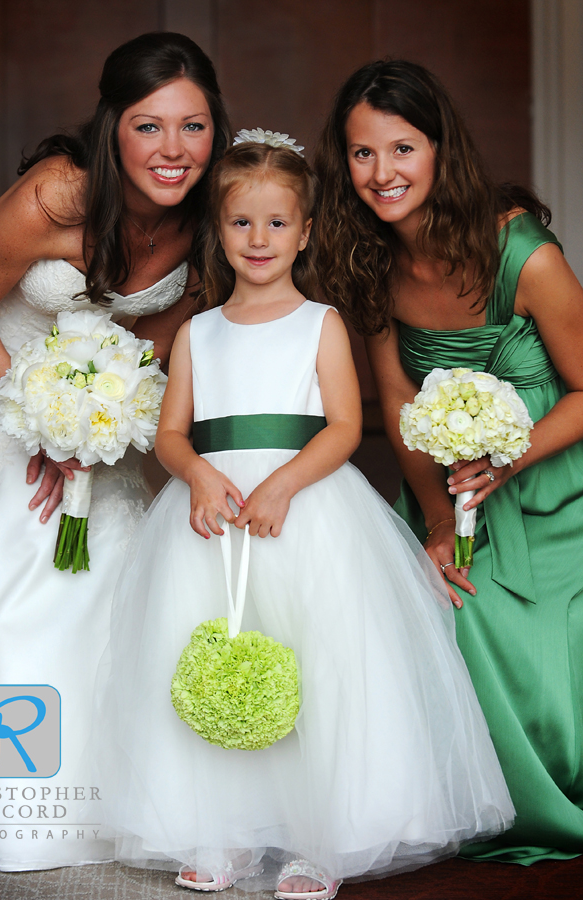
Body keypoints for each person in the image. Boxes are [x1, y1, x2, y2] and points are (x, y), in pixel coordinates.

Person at [97, 135, 514, 899]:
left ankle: (316, 841)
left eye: (277, 224)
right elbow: (169, 432)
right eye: (241, 224)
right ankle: (217, 831)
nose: (259, 241)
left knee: (316, 667)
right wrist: (192, 475)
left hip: (304, 511)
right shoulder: (197, 332)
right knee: (213, 663)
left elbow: (346, 428)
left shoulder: (320, 323)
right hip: (214, 516)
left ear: (308, 229)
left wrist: (285, 484)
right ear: (217, 232)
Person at [0, 32, 231, 870]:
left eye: (193, 127)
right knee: (24, 519)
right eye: (148, 125)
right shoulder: (57, 195)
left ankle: (99, 780)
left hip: (90, 373)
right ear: (112, 128)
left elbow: (156, 344)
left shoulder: (210, 223)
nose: (172, 151)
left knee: (112, 519)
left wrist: (101, 425)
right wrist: (45, 429)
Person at [315, 58, 583, 864]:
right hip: (444, 490)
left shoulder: (522, 254)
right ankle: (467, 807)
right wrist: (433, 520)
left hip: (550, 489)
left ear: (439, 149)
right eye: (361, 153)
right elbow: (395, 401)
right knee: (435, 611)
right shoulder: (366, 259)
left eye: (401, 148)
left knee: (527, 652)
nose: (381, 173)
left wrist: (509, 458)